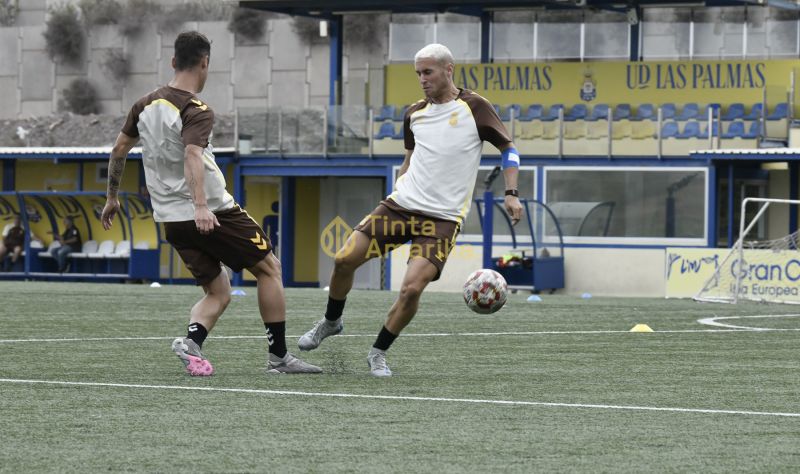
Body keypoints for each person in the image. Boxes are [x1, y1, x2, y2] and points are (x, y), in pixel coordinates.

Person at [100, 31, 320, 376]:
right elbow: (192, 154)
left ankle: (191, 343)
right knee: (269, 268)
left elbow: (118, 150)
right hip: (213, 211)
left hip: (171, 219)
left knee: (219, 290)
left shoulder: (143, 105)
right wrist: (201, 205)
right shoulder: (194, 108)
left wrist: (112, 197)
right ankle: (279, 358)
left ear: (174, 61)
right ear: (205, 63)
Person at [298, 43, 523, 377]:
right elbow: (409, 159)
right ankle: (331, 322)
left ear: (449, 70)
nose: (422, 79)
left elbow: (509, 149)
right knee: (344, 258)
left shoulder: (475, 107)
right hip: (400, 207)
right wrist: (398, 190)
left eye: (427, 72)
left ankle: (378, 353)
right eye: (418, 73)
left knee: (411, 288)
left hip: (442, 220)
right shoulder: (413, 113)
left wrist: (511, 193)